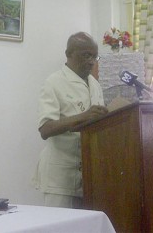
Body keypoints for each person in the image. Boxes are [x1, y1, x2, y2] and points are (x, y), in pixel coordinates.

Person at [33, 32, 108, 208]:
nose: (91, 61)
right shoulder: (54, 82)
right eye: (86, 55)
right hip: (61, 178)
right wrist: (83, 117)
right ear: (68, 54)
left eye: (94, 57)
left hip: (90, 176)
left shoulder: (95, 84)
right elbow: (45, 129)